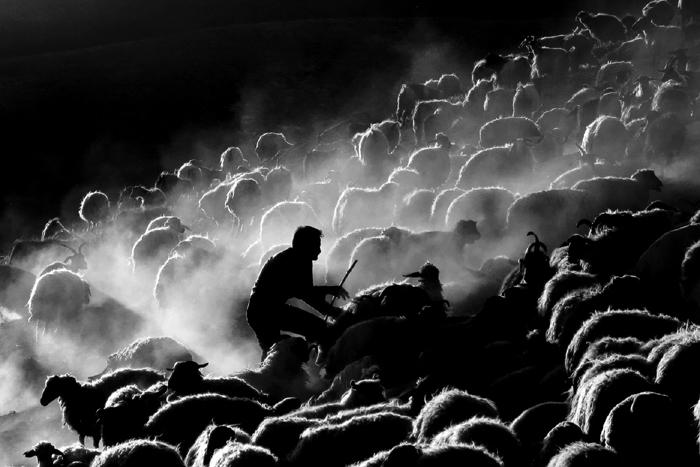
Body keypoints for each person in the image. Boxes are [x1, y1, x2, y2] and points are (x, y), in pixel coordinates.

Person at [246, 225, 349, 359]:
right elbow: (304, 292)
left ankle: (271, 375)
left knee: (274, 350)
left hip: (265, 310)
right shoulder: (294, 260)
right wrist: (332, 307)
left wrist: (331, 312)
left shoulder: (300, 258)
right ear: (306, 246)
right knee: (278, 351)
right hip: (265, 312)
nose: (319, 250)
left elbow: (308, 294)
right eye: (316, 245)